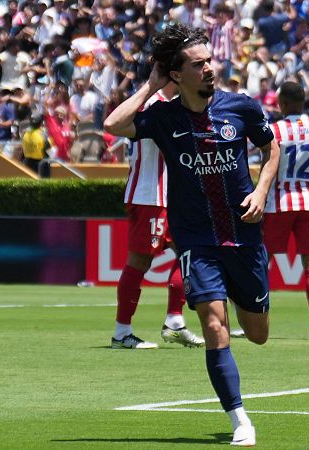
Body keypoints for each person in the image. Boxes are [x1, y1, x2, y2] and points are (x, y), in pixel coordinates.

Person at [104, 23, 280, 447]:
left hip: (244, 237)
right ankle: (241, 419)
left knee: (257, 333)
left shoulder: (241, 107)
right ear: (176, 74)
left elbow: (271, 147)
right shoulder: (163, 117)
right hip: (196, 241)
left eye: (208, 62)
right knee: (214, 325)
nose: (208, 69)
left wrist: (260, 190)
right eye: (197, 64)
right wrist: (149, 86)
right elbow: (113, 124)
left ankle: (239, 297)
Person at [110, 81, 205, 350]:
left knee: (191, 250)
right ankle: (122, 332)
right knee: (139, 262)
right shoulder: (154, 105)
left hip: (168, 196)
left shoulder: (172, 105)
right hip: (151, 193)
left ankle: (174, 321)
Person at [264, 81, 309, 340]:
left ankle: (254, 319)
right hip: (308, 201)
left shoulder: (276, 130)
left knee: (263, 262)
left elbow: (268, 167)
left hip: (278, 202)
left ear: (283, 103)